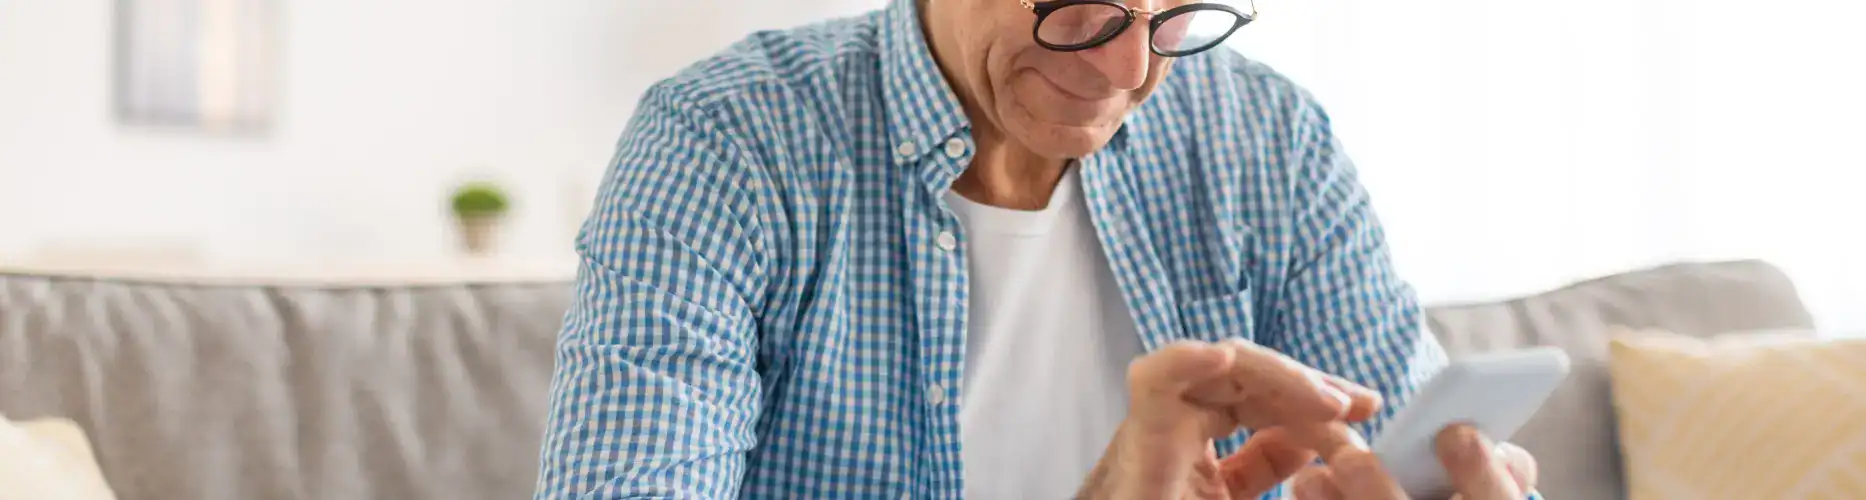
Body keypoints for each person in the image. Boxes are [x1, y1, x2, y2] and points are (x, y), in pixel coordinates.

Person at [533, 0, 1544, 498]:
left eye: (1170, 13)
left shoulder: (1266, 134)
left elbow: (1406, 436)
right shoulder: (728, 139)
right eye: (1082, 7)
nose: (1128, 68)